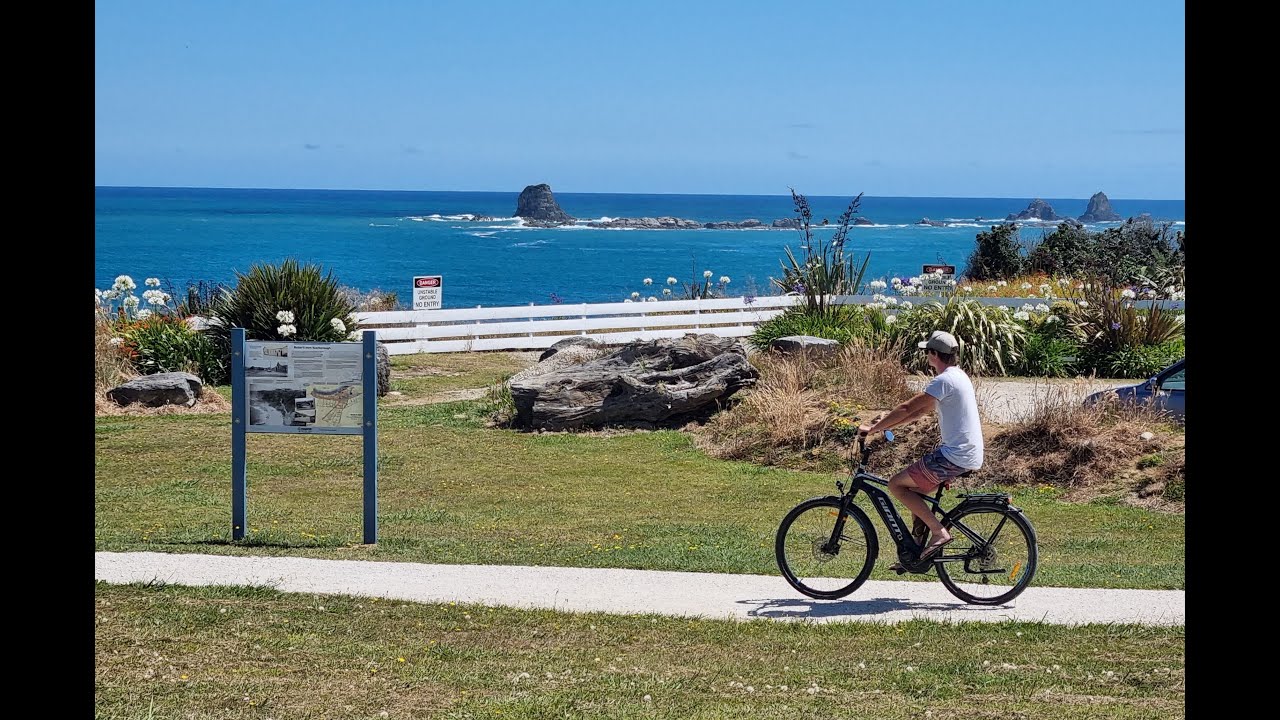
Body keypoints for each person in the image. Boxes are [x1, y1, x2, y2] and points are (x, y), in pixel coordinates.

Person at [857, 330, 983, 564]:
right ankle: (916, 547)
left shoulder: (944, 380)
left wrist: (872, 429)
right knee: (914, 491)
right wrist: (885, 426)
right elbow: (919, 411)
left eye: (927, 352)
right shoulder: (958, 376)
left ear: (934, 354)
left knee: (896, 484)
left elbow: (906, 407)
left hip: (955, 456)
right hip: (964, 454)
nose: (926, 356)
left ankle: (939, 533)